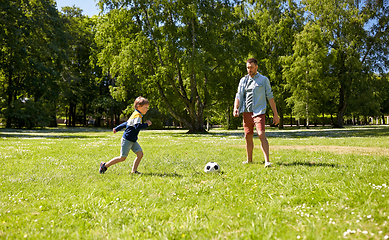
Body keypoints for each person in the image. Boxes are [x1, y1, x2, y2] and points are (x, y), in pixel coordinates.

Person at [233, 58, 279, 167]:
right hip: (246, 112)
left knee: (261, 134)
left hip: (259, 112)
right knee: (248, 136)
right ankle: (249, 160)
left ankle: (267, 161)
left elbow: (270, 97)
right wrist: (236, 108)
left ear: (256, 67)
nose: (249, 70)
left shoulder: (263, 80)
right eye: (248, 68)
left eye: (251, 67)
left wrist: (275, 114)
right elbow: (238, 95)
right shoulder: (243, 80)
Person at [99, 96, 152, 174]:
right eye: (146, 107)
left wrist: (117, 128)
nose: (147, 109)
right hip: (127, 140)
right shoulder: (137, 116)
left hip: (132, 139)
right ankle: (104, 165)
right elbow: (137, 126)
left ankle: (134, 171)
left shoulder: (136, 114)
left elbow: (127, 123)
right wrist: (147, 124)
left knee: (140, 154)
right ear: (139, 106)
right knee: (122, 158)